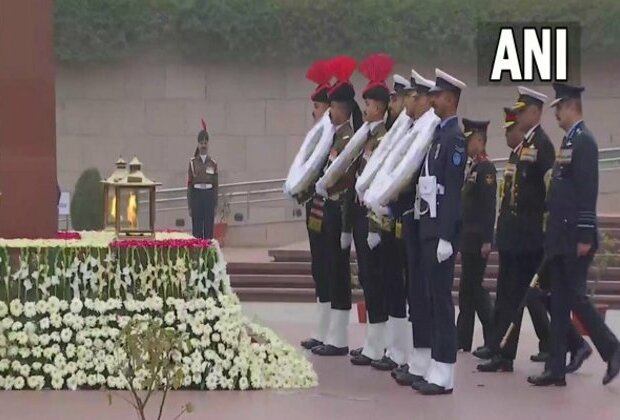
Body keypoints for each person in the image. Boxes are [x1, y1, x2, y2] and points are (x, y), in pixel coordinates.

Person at [528, 83, 620, 386]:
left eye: (559, 108)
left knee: (575, 297)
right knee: (560, 302)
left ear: (571, 106)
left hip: (574, 237)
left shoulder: (585, 142)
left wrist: (583, 235)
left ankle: (613, 348)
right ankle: (556, 368)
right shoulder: (570, 141)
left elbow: (586, 191)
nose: (556, 115)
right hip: (559, 236)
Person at [477, 87, 555, 371]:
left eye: (522, 111)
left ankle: (509, 351)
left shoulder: (542, 145)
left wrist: (547, 229)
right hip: (514, 235)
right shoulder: (522, 147)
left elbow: (550, 189)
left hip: (530, 236)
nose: (518, 115)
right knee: (508, 294)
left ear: (535, 113)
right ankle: (501, 351)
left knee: (521, 297)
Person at [411, 68, 467, 395]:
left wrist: (447, 235)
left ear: (450, 99)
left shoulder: (454, 138)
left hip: (440, 232)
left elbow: (454, 192)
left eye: (437, 96)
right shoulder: (437, 135)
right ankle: (435, 365)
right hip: (428, 227)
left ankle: (445, 371)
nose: (432, 100)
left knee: (442, 302)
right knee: (432, 299)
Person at [311, 55, 362, 357]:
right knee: (329, 268)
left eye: (331, 107)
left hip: (340, 209)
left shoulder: (349, 139)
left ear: (341, 108)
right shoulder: (335, 137)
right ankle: (329, 332)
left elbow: (348, 178)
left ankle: (339, 337)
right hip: (328, 208)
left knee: (339, 272)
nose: (328, 112)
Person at [347, 53, 393, 367]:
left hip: (375, 219)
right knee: (367, 278)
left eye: (369, 105)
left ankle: (381, 344)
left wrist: (375, 227)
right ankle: (373, 343)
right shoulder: (368, 136)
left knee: (378, 280)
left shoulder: (385, 138)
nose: (365, 110)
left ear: (379, 107)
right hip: (361, 216)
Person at [391, 68, 436, 386]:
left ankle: (424, 360)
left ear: (422, 100)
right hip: (410, 217)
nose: (406, 100)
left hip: (423, 222)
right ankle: (417, 359)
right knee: (414, 294)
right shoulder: (413, 129)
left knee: (422, 294)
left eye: (410, 95)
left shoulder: (429, 132)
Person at [370, 73, 413, 372]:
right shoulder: (391, 134)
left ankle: (403, 350)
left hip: (404, 220)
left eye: (396, 99)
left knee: (404, 287)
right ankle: (394, 348)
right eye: (394, 99)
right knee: (391, 285)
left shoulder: (410, 134)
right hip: (387, 221)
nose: (393, 104)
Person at [298, 59, 334, 351]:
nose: (316, 112)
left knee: (327, 267)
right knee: (318, 268)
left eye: (319, 107)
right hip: (315, 209)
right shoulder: (318, 136)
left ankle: (331, 332)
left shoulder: (332, 137)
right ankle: (322, 331)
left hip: (328, 209)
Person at [456, 119, 496, 354]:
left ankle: (492, 337)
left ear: (479, 141)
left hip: (478, 238)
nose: (466, 144)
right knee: (467, 289)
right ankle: (463, 338)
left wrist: (487, 239)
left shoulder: (486, 168)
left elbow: (489, 206)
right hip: (468, 237)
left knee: (475, 290)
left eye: (469, 140)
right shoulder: (472, 167)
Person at [187, 119, 218, 239]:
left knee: (209, 227)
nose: (203, 145)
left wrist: (215, 205)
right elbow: (189, 186)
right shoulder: (192, 163)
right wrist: (190, 205)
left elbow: (216, 186)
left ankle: (208, 253)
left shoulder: (213, 163)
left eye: (205, 143)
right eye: (201, 143)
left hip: (209, 196)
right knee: (197, 227)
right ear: (198, 144)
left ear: (208, 144)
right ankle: (197, 253)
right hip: (197, 195)